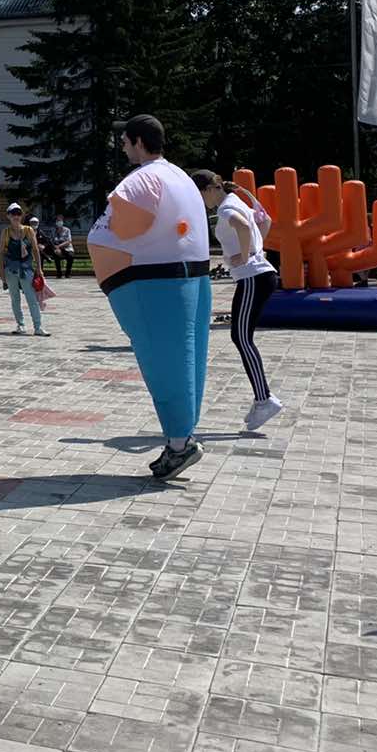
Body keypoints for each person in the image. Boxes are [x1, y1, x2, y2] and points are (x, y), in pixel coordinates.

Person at [88, 114, 211, 480]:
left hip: (154, 283)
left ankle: (180, 443)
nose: (122, 146)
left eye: (125, 141)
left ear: (139, 142)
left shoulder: (144, 179)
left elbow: (124, 228)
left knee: (164, 363)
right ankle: (181, 435)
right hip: (187, 278)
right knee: (185, 360)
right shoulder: (181, 177)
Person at [193, 171, 283, 431]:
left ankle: (264, 399)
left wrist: (245, 256)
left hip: (253, 277)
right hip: (258, 276)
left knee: (241, 338)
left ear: (209, 190)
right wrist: (254, 250)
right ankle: (263, 398)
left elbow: (244, 227)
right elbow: (265, 222)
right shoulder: (236, 201)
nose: (201, 203)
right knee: (241, 337)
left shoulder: (225, 209)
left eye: (200, 196)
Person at [0, 204, 49, 337]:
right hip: (11, 269)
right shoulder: (6, 232)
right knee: (15, 299)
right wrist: (2, 273)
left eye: (18, 213)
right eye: (13, 214)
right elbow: (1, 253)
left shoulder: (28, 230)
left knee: (31, 298)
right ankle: (20, 325)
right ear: (8, 216)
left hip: (26, 269)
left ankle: (38, 327)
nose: (16, 216)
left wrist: (39, 269)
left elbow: (35, 250)